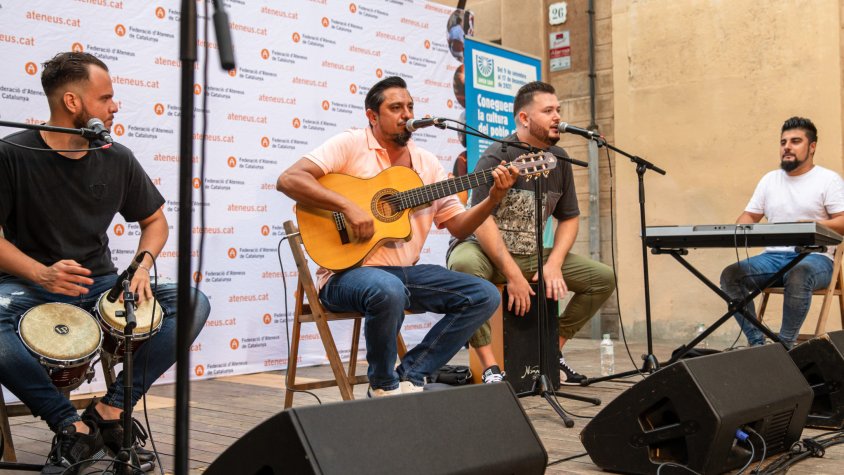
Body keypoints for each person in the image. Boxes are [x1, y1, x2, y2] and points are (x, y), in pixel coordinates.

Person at [0, 52, 210, 474]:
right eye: (106, 97)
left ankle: (111, 411)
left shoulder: (117, 157)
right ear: (73, 103)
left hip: (100, 285)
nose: (114, 107)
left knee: (191, 301)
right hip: (27, 285)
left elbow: (154, 222)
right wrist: (41, 272)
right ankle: (70, 426)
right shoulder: (11, 153)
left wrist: (142, 267)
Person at [276, 76, 518, 397]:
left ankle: (412, 375)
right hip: (345, 275)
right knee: (386, 289)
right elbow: (289, 179)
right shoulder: (350, 144)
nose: (406, 114)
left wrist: (493, 198)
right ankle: (383, 386)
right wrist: (348, 206)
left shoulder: (427, 165)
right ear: (372, 116)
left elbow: (459, 227)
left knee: (484, 295)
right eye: (395, 108)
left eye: (410, 107)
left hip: (404, 275)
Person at [447, 81, 615, 385]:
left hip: (533, 252)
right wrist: (513, 275)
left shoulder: (559, 159)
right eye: (548, 110)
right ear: (524, 119)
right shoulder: (496, 156)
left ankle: (552, 351)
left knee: (601, 278)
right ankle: (490, 367)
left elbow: (570, 218)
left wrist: (553, 264)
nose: (557, 117)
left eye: (558, 110)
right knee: (463, 267)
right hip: (484, 250)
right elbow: (482, 222)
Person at [720, 117, 844, 349]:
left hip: (817, 259)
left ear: (812, 147)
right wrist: (742, 225)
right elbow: (750, 215)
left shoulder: (828, 180)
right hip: (772, 258)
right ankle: (758, 344)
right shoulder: (770, 180)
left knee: (799, 273)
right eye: (783, 142)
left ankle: (784, 347)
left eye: (795, 141)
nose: (787, 146)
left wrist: (814, 223)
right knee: (730, 275)